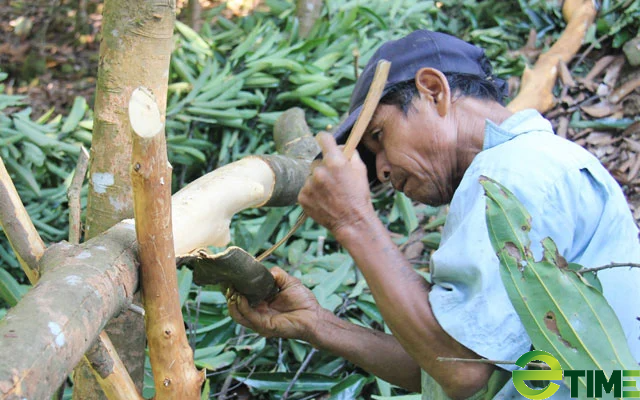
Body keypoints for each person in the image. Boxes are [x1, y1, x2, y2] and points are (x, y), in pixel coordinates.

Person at [227, 30, 640, 399]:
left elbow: (464, 373)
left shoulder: (513, 174)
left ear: (433, 90)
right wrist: (318, 324)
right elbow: (446, 365)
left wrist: (351, 221)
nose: (384, 170)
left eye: (378, 137)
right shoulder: (518, 171)